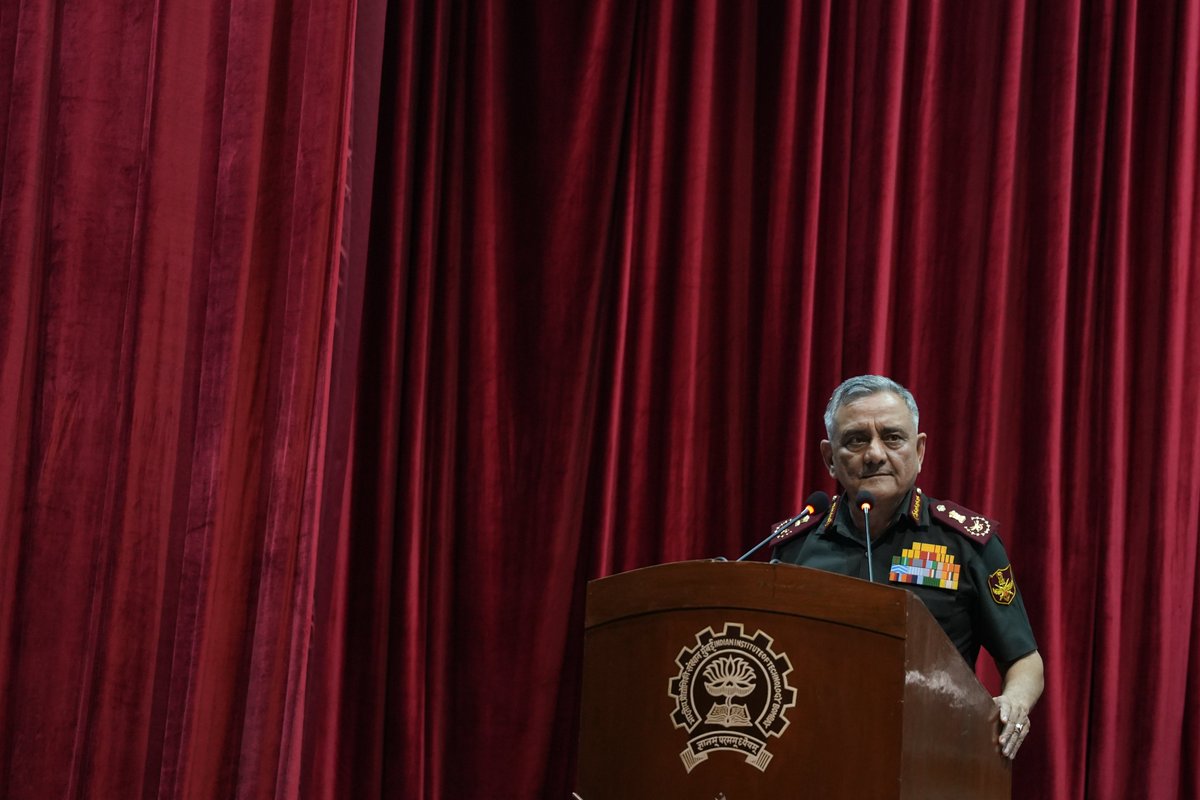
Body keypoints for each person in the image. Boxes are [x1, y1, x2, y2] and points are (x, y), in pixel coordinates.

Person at [772, 375, 1044, 759]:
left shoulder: (966, 544)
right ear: (830, 458)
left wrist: (1014, 702)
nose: (875, 454)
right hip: (817, 753)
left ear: (919, 451)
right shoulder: (795, 547)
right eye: (856, 440)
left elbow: (1024, 660)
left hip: (931, 754)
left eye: (892, 438)